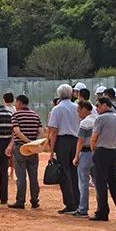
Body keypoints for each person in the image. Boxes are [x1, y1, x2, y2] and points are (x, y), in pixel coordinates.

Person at [85, 97, 116, 222]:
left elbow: (94, 137)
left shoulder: (101, 118)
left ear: (105, 105)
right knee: (114, 182)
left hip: (101, 151)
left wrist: (94, 150)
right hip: (113, 152)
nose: (97, 109)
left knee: (101, 183)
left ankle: (102, 212)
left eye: (98, 106)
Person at [47, 84, 80, 215]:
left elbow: (54, 131)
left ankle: (70, 203)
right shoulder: (77, 107)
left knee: (64, 172)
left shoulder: (57, 109)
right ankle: (78, 201)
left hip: (63, 142)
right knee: (75, 172)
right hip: (76, 140)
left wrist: (51, 150)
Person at [8, 94, 42, 209]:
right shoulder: (35, 115)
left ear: (19, 103)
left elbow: (16, 131)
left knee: (21, 176)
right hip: (33, 149)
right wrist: (34, 143)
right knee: (33, 176)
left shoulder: (15, 115)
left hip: (21, 148)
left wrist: (27, 141)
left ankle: (20, 201)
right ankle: (35, 200)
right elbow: (41, 131)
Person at [74, 101, 95, 217]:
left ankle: (83, 209)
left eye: (79, 110)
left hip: (86, 153)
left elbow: (81, 140)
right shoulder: (97, 120)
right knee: (98, 182)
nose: (78, 113)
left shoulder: (85, 122)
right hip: (97, 153)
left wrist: (76, 156)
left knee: (83, 182)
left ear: (84, 109)